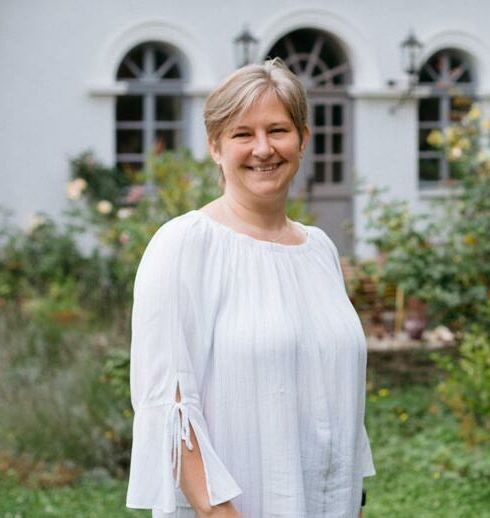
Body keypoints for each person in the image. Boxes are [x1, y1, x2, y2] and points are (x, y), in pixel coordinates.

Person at [125, 59, 374, 518]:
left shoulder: (318, 249)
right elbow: (169, 409)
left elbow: (341, 407)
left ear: (303, 139)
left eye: (278, 130)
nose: (263, 149)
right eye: (242, 134)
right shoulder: (184, 245)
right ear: (215, 147)